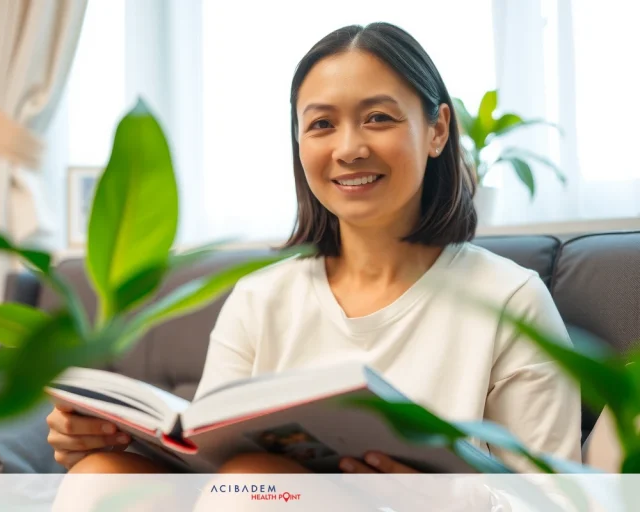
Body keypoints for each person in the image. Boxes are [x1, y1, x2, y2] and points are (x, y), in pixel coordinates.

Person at [46, 22, 581, 477]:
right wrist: (105, 440)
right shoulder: (262, 298)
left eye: (378, 117)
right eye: (322, 124)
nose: (349, 148)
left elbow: (564, 502)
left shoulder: (510, 299)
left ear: (437, 129)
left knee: (256, 478)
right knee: (102, 473)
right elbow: (206, 461)